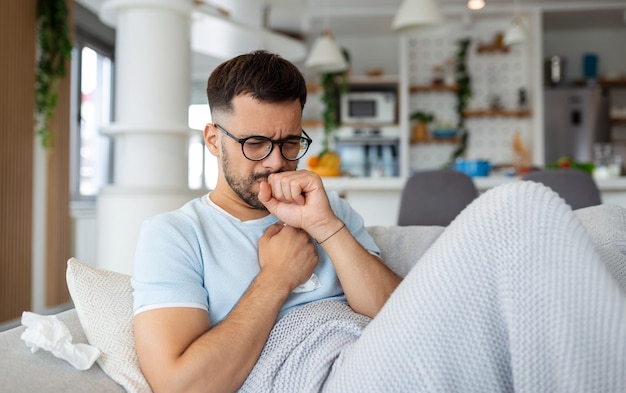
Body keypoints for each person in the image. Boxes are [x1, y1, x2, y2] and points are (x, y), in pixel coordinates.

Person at [133, 50, 626, 393]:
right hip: (320, 377)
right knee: (517, 206)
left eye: (289, 144)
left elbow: (393, 311)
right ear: (214, 139)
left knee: (535, 211)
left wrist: (327, 227)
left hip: (381, 354)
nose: (275, 163)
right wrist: (277, 278)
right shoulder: (175, 235)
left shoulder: (328, 208)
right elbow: (180, 384)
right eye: (255, 144)